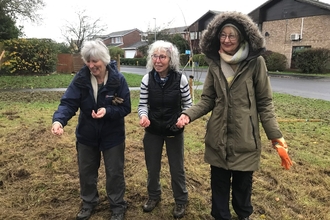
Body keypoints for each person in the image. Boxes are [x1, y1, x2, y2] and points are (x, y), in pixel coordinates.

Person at [176, 11, 293, 220]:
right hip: (217, 140)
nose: (227, 39)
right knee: (219, 191)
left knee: (242, 191)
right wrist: (188, 114)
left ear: (241, 38)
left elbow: (265, 103)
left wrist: (276, 137)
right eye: (223, 35)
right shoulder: (215, 64)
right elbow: (207, 99)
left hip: (245, 141)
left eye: (232, 35)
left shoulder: (256, 63)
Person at [51, 39, 131, 220]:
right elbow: (69, 102)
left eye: (95, 61)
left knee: (114, 172)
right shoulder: (80, 79)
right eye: (88, 61)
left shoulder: (118, 80)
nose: (91, 65)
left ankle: (117, 206)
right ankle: (88, 203)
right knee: (86, 172)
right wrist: (59, 121)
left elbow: (125, 108)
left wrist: (108, 111)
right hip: (87, 134)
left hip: (113, 136)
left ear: (104, 60)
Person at [137, 40, 192, 219]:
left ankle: (181, 200)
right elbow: (142, 104)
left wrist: (183, 118)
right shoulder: (147, 79)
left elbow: (188, 105)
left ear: (171, 59)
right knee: (152, 168)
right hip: (152, 130)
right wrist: (143, 116)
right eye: (155, 56)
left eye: (162, 57)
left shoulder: (180, 79)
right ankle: (154, 196)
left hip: (173, 130)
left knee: (177, 168)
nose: (158, 61)